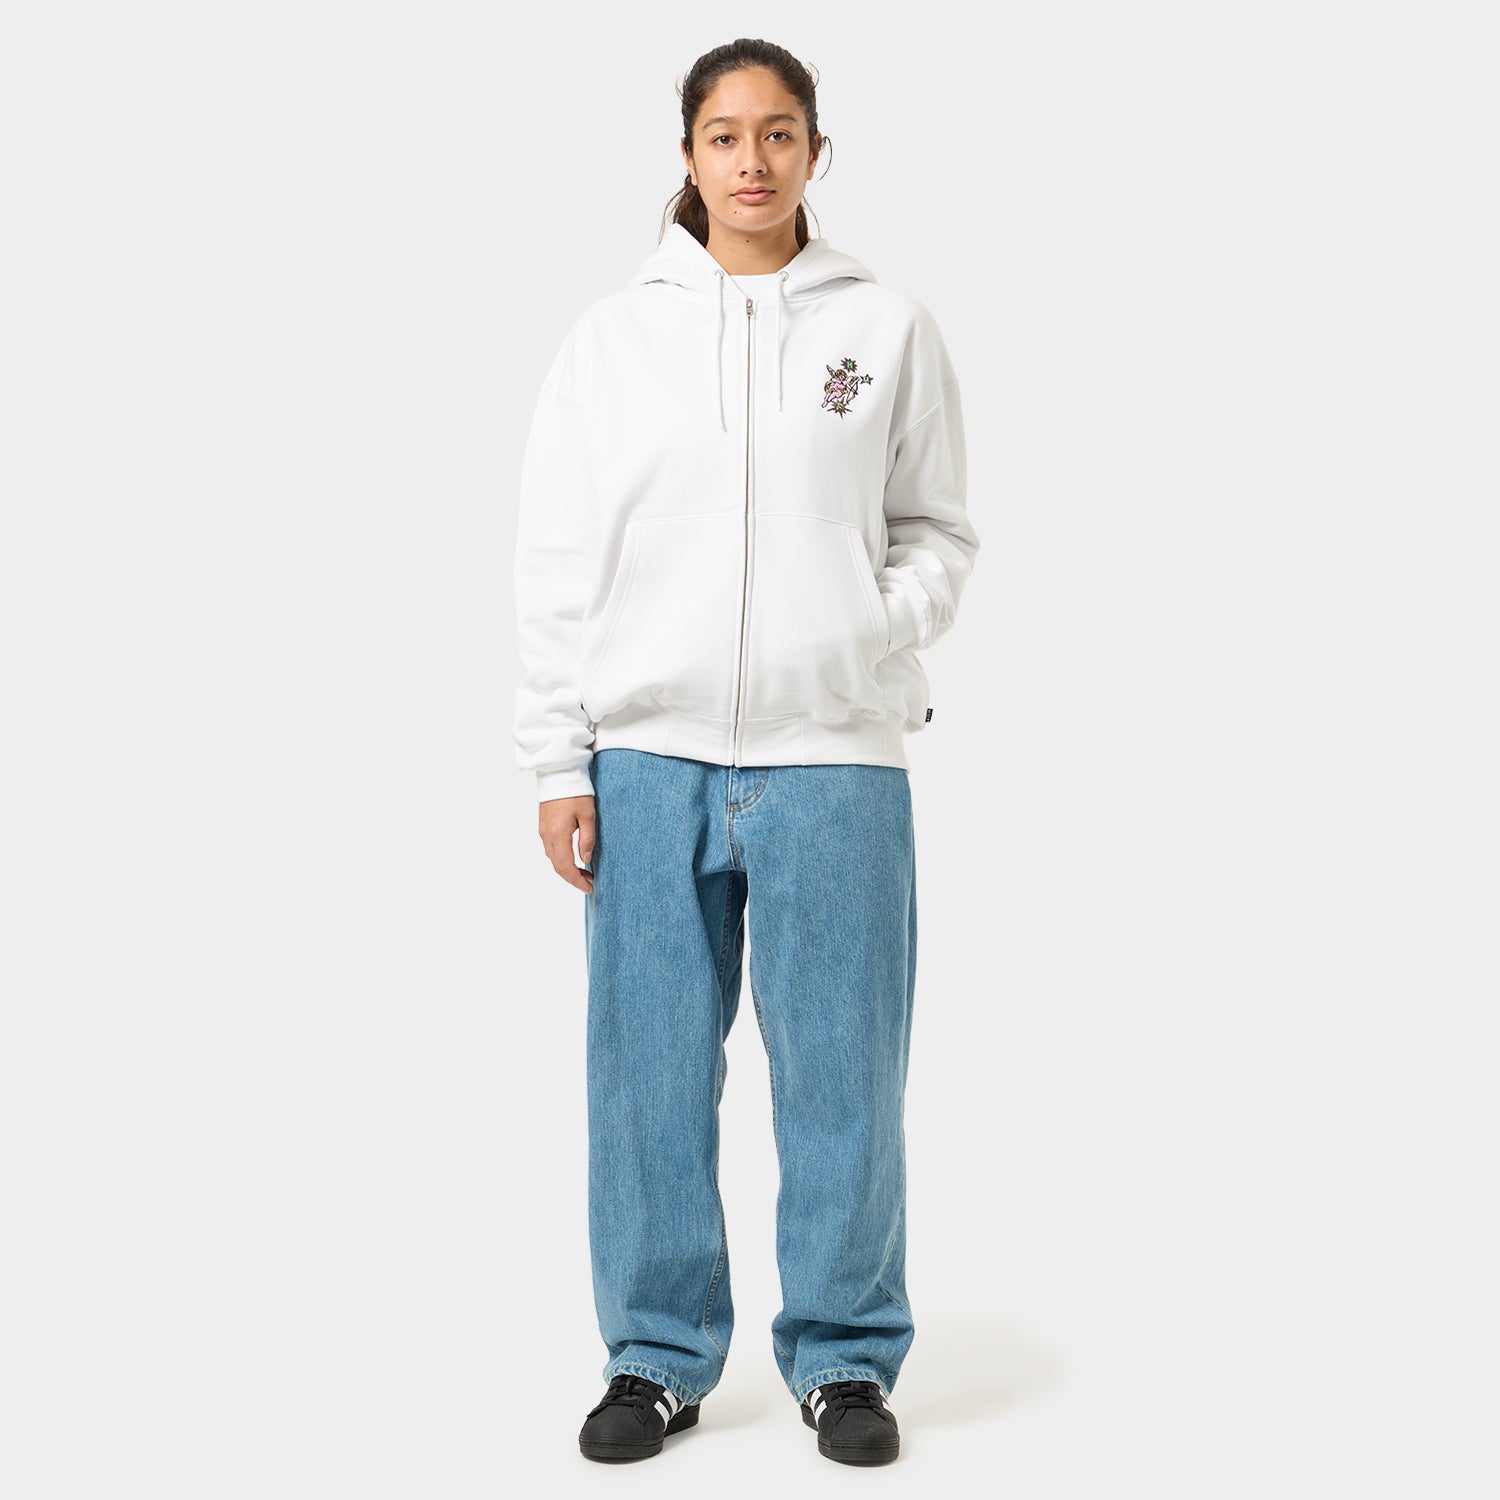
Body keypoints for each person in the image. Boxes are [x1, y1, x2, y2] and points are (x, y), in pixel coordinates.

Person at [513, 37, 979, 1466]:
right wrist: (560, 761)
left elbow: (937, 531)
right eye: (726, 135)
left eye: (780, 134)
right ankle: (655, 1358)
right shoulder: (612, 341)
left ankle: (846, 1361)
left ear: (816, 153)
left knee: (844, 1071)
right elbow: (558, 562)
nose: (753, 160)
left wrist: (865, 630)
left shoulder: (885, 328)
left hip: (838, 758)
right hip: (648, 758)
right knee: (647, 1075)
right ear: (689, 157)